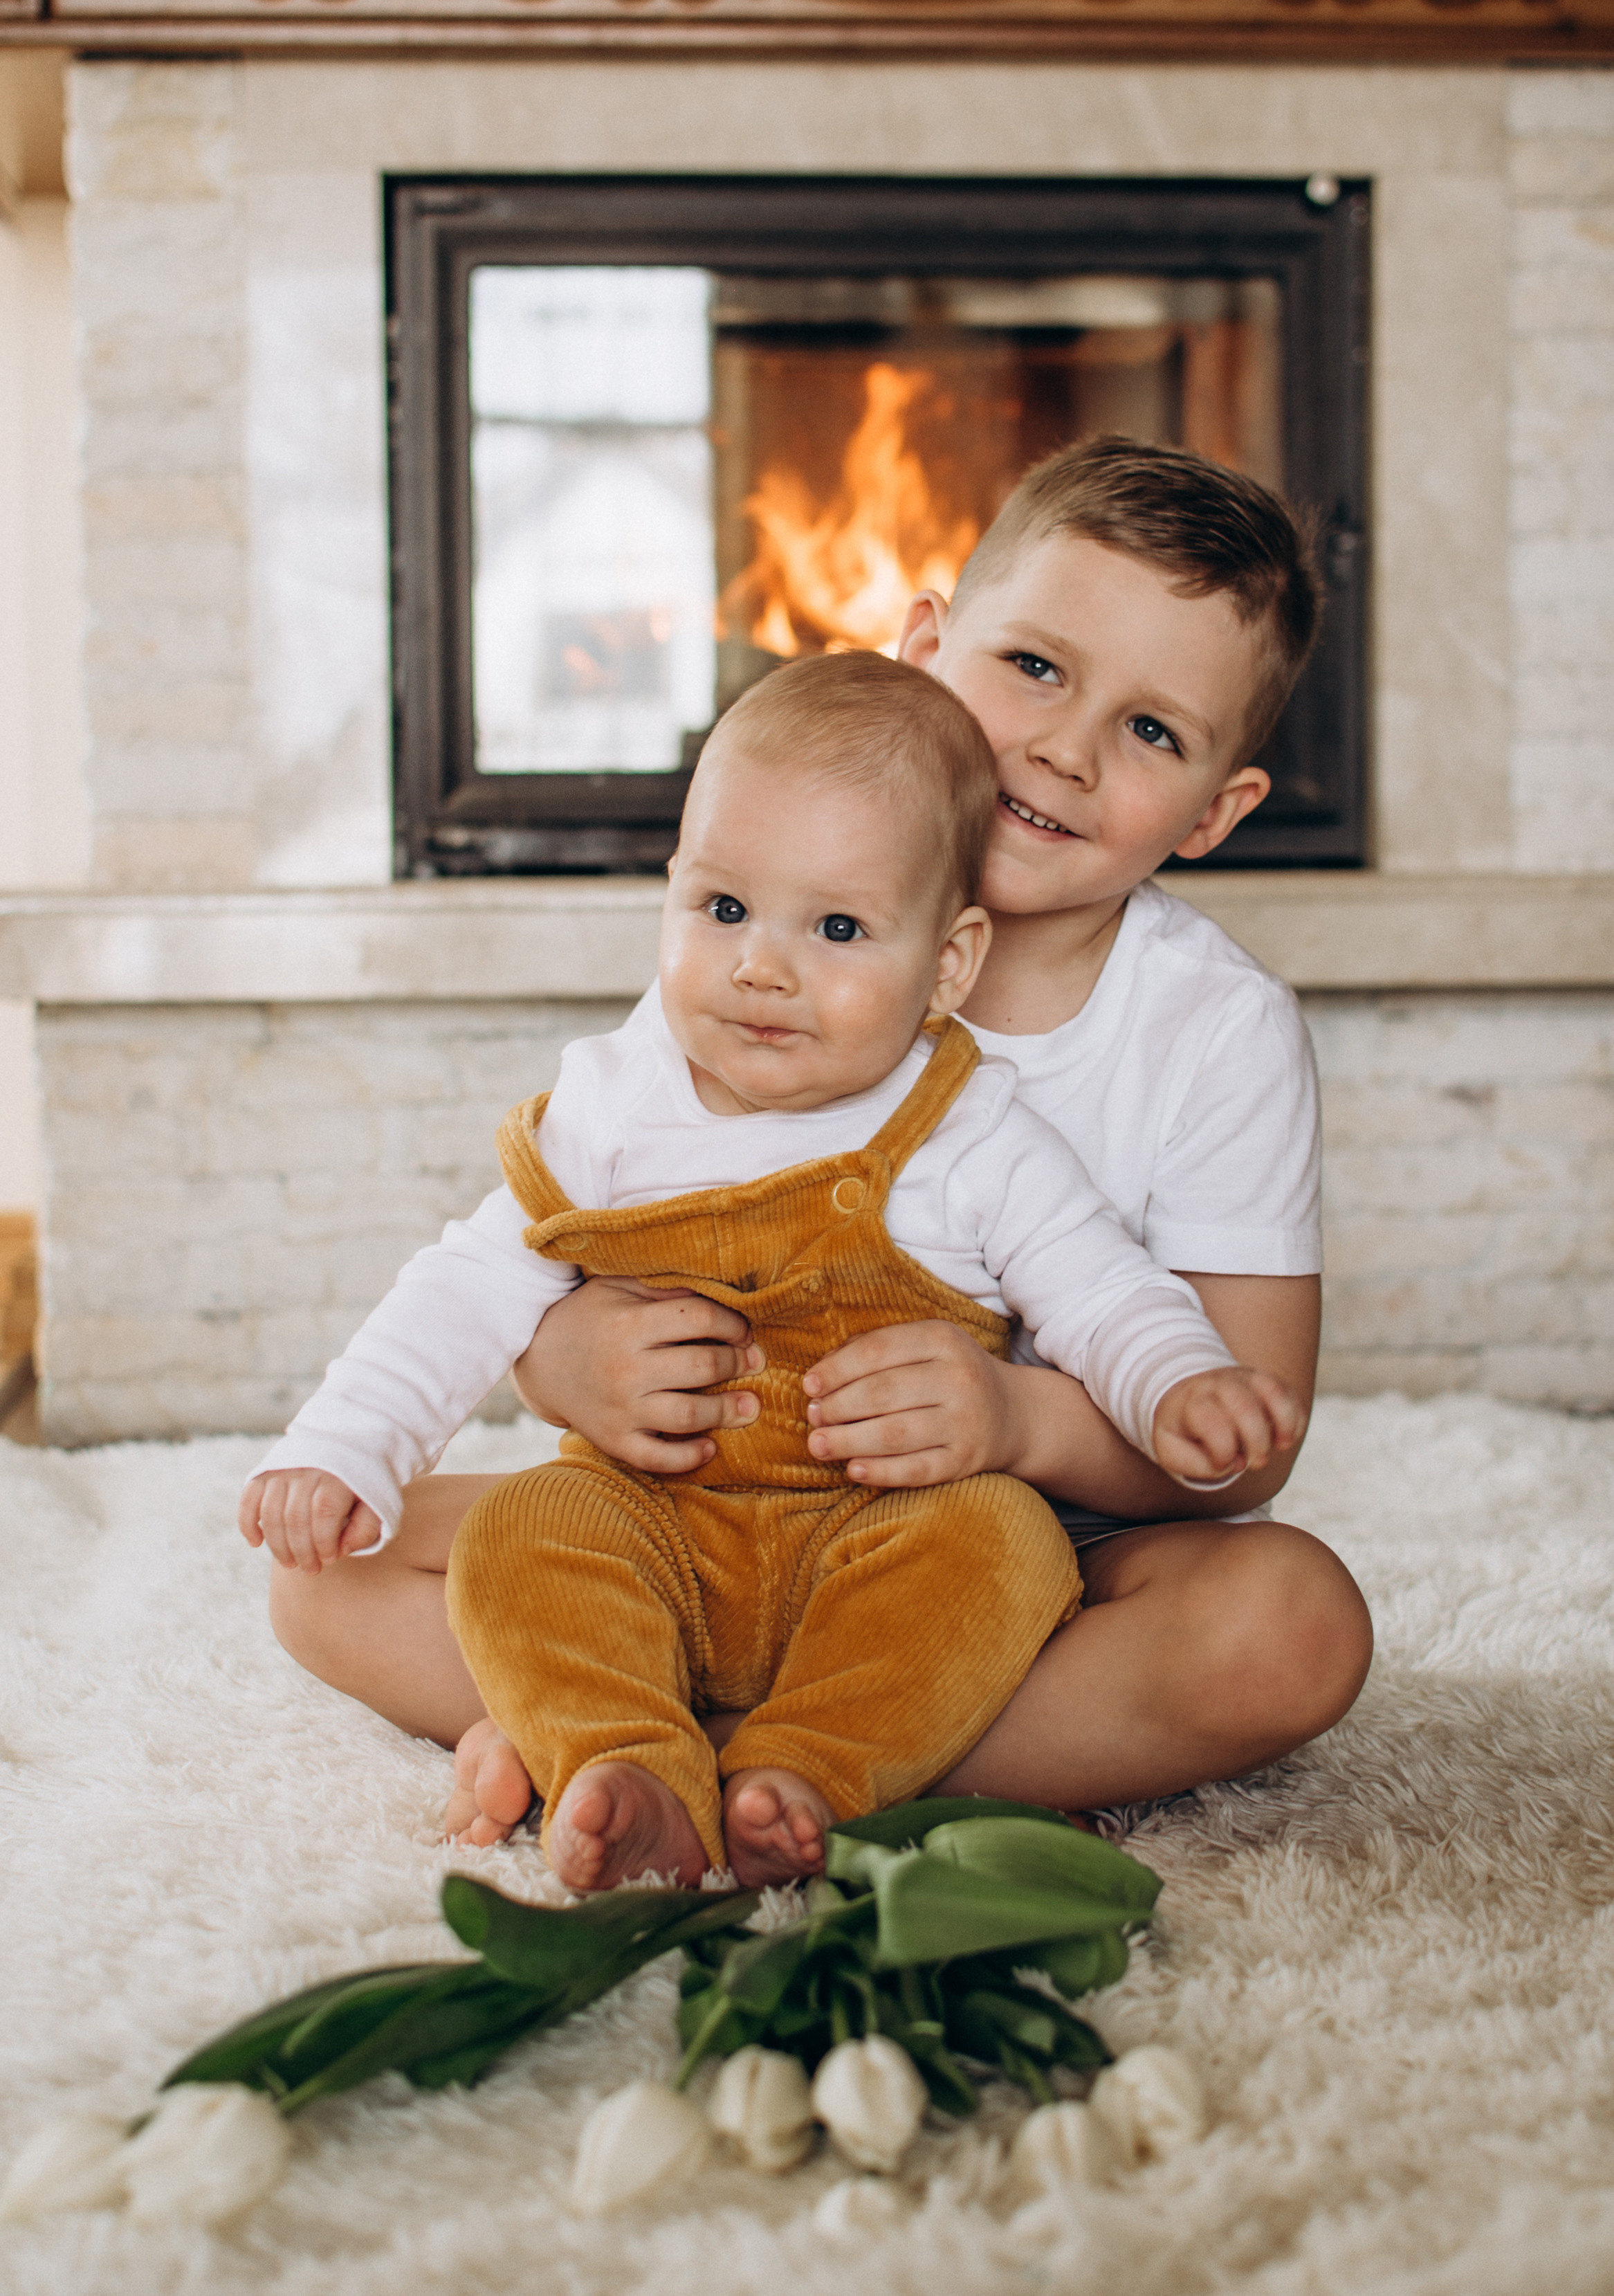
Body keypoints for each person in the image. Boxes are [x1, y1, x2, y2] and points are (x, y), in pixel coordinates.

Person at [253, 435, 1373, 1846]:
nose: (1064, 747)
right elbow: (568, 1221)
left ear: (1217, 809)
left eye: (1152, 733)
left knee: (1292, 1626)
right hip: (703, 1512)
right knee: (324, 1569)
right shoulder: (766, 933)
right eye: (1034, 665)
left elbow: (1242, 1443)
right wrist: (566, 1355)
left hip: (1001, 1571)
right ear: (922, 646)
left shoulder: (1216, 1033)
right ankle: (719, 1750)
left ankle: (676, 1744)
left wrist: (1019, 1419)